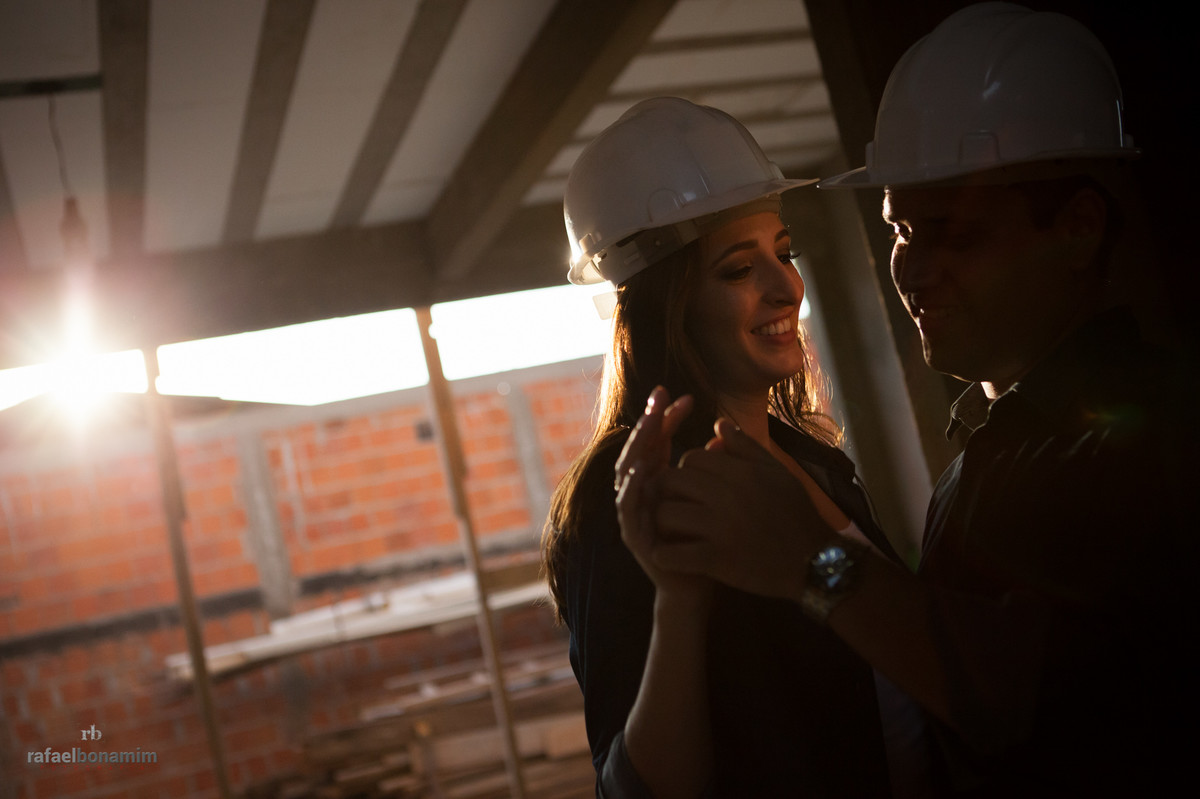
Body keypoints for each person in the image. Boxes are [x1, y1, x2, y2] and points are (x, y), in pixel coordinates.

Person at [623, 4, 1198, 797]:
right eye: (901, 230)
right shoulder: (981, 461)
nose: (915, 270)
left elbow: (1058, 703)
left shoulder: (1159, 440)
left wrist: (815, 562)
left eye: (956, 234)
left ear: (1077, 228)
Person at [541, 97, 900, 797]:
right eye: (738, 269)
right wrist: (683, 600)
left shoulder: (817, 462)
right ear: (666, 303)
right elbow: (636, 786)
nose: (786, 286)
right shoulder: (635, 494)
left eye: (784, 253)